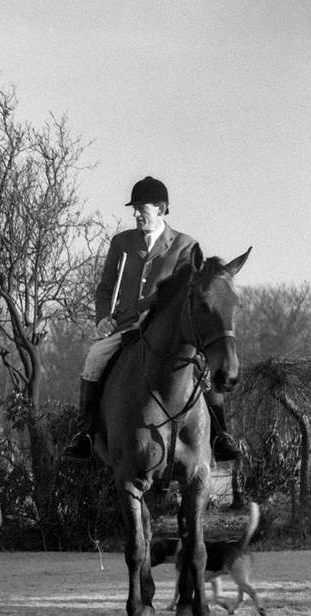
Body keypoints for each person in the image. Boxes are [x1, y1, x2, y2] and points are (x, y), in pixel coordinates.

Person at [62, 176, 241, 462]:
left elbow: (187, 293)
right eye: (134, 209)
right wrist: (103, 318)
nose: (135, 214)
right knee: (94, 358)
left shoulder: (185, 245)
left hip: (168, 331)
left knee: (203, 371)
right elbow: (105, 288)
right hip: (125, 329)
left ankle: (220, 435)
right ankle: (84, 433)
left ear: (160, 208)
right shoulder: (121, 242)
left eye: (140, 208)